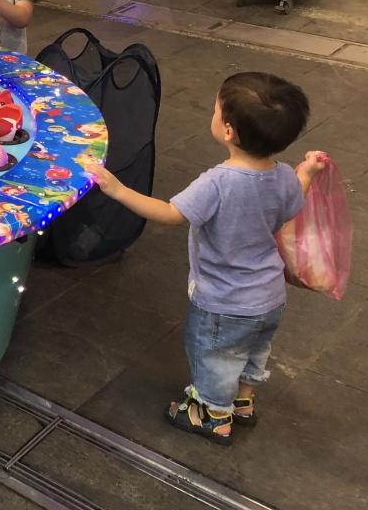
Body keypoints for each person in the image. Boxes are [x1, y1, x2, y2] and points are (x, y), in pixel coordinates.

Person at [86, 72, 327, 445]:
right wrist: (308, 170)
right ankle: (243, 402)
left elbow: (171, 214)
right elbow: (297, 197)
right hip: (269, 296)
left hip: (223, 301)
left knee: (215, 357)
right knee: (254, 351)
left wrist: (118, 190)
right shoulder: (283, 176)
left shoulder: (219, 182)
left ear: (228, 131)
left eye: (215, 109)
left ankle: (212, 415)